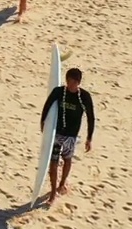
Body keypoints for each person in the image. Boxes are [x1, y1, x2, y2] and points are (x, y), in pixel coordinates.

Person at [39, 67, 96, 205]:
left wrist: (89, 138)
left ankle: (62, 184)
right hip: (57, 133)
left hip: (71, 136)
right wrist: (43, 122)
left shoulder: (84, 97)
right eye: (69, 81)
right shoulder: (59, 92)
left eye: (74, 82)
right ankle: (53, 193)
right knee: (53, 162)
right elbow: (47, 105)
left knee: (67, 159)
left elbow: (90, 117)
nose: (71, 84)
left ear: (79, 82)